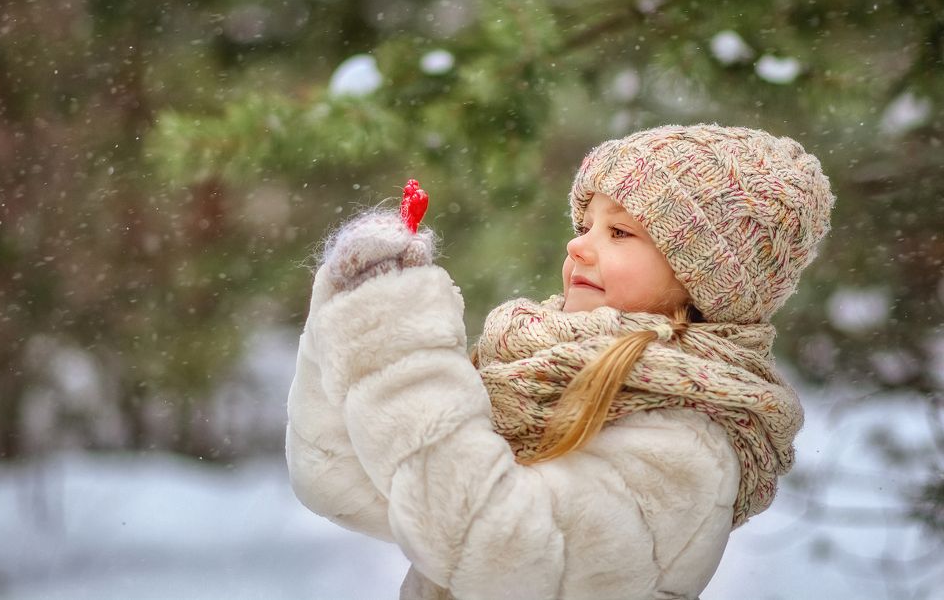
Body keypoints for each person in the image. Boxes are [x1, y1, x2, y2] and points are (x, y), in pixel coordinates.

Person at [286, 124, 834, 600]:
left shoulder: (689, 441)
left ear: (704, 282)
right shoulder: (533, 377)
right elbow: (337, 477)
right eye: (584, 226)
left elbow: (497, 550)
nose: (579, 247)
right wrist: (355, 312)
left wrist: (401, 349)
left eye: (619, 232)